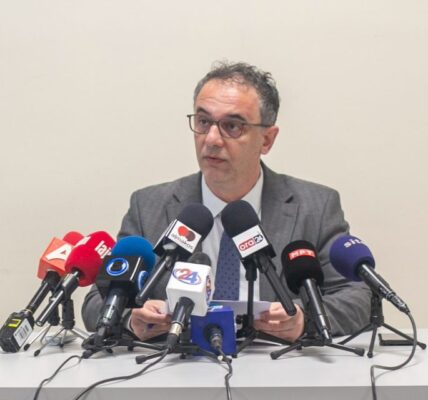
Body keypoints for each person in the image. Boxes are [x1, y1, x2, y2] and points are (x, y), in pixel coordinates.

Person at [82, 61, 371, 343]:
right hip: (175, 364)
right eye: (203, 121)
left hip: (274, 366)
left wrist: (305, 320)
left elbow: (357, 297)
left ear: (267, 140)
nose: (211, 139)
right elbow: (96, 301)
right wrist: (130, 319)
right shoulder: (148, 206)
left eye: (232, 126)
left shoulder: (315, 207)